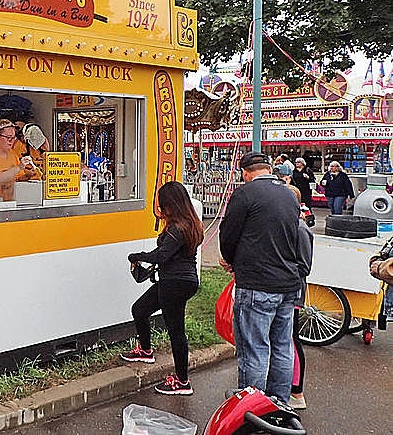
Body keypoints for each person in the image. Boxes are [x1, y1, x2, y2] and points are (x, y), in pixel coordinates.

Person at [219, 151, 303, 404]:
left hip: (257, 283)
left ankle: (252, 407)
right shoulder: (289, 195)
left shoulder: (244, 194)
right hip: (288, 282)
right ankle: (279, 402)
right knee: (282, 347)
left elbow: (228, 235)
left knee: (254, 350)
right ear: (269, 168)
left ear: (245, 172)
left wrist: (230, 261)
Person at [121, 181, 202, 396]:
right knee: (139, 309)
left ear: (170, 203)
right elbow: (166, 254)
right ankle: (145, 350)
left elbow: (162, 255)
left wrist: (136, 256)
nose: (159, 206)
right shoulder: (189, 223)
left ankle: (182, 381)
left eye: (162, 202)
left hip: (174, 283)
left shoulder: (177, 228)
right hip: (180, 280)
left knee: (176, 331)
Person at [287, 184, 314, 410]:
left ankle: (297, 391)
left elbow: (304, 266)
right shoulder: (287, 225)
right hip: (283, 290)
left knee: (293, 341)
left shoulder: (300, 229)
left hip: (293, 293)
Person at [0, 119, 37, 200]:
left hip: (10, 202)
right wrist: (18, 168)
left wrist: (27, 175)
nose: (11, 141)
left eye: (13, 138)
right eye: (8, 138)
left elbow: (17, 177)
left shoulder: (13, 155)